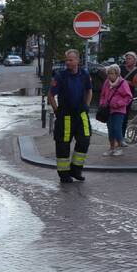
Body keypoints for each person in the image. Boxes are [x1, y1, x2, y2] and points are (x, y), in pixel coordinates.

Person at [48, 49, 93, 183]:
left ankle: (76, 169)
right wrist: (57, 111)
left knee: (85, 140)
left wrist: (87, 105)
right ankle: (64, 174)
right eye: (66, 60)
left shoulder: (84, 74)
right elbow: (51, 95)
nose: (68, 62)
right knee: (63, 145)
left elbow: (89, 90)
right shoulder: (60, 76)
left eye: (70, 60)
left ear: (78, 61)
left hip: (81, 114)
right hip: (65, 116)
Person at [99, 64, 133, 156]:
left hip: (119, 110)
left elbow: (129, 97)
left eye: (112, 73)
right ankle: (111, 148)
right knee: (110, 129)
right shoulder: (106, 82)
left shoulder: (123, 83)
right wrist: (102, 103)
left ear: (117, 74)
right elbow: (102, 94)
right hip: (108, 109)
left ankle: (120, 145)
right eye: (109, 73)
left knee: (117, 127)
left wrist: (118, 103)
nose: (110, 75)